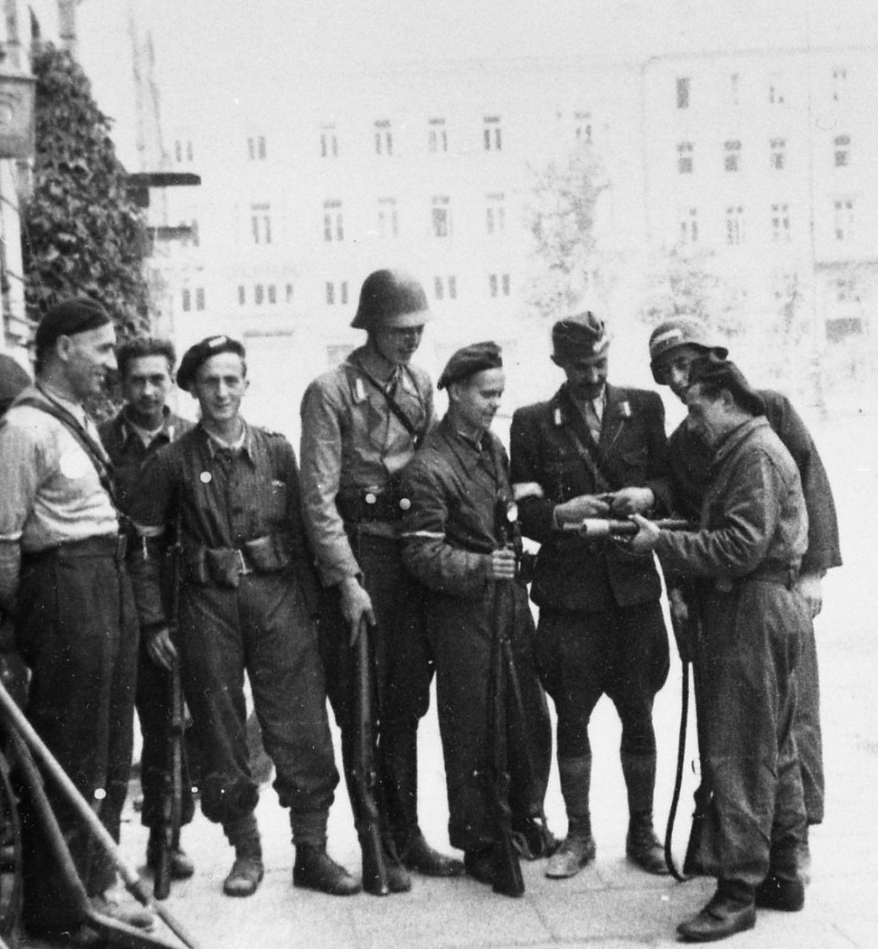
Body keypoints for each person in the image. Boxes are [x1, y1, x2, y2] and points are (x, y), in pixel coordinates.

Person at [128, 335, 361, 898]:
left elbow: (307, 534)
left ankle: (312, 850)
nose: (223, 392)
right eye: (211, 382)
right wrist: (156, 622)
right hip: (207, 607)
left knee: (301, 721)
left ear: (246, 384)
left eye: (233, 380)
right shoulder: (171, 463)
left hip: (278, 600)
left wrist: (316, 606)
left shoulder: (277, 452)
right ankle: (247, 851)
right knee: (219, 727)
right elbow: (143, 551)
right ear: (193, 389)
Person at [0, 298, 153, 940]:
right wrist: (43, 612)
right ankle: (57, 907)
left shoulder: (74, 418)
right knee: (69, 748)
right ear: (63, 348)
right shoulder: (23, 430)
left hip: (107, 583)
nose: (111, 362)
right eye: (101, 349)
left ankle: (95, 886)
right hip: (66, 590)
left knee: (107, 746)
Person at [645, 318, 842, 872]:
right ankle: (736, 842)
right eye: (667, 372)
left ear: (712, 359)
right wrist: (678, 594)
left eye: (686, 364)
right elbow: (682, 517)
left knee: (791, 719)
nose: (679, 380)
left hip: (772, 587)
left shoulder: (769, 411)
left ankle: (792, 847)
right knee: (734, 726)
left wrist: (813, 573)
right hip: (718, 596)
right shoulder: (685, 441)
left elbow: (812, 485)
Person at [628, 344, 810, 943]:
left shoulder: (752, 453)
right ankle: (782, 872)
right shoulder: (743, 448)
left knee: (737, 750)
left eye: (701, 412)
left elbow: (738, 547)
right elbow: (728, 530)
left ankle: (737, 894)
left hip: (750, 610)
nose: (695, 426)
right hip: (763, 607)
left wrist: (663, 544)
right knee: (774, 746)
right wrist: (668, 530)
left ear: (727, 401)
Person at [300, 270, 473, 888]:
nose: (411, 339)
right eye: (400, 329)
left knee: (404, 704)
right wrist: (345, 579)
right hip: (360, 558)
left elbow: (431, 469)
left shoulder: (421, 383)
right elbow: (317, 498)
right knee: (360, 705)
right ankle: (372, 838)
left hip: (408, 559)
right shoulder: (331, 391)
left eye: (418, 328)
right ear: (370, 326)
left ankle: (408, 834)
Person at [509, 312, 672, 879]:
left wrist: (646, 494)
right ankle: (578, 836)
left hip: (632, 595)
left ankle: (644, 832)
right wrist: (559, 513)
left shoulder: (645, 408)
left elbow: (673, 485)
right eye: (582, 367)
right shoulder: (532, 423)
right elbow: (523, 509)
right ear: (560, 364)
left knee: (640, 714)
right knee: (571, 717)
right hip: (569, 600)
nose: (594, 375)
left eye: (601, 363)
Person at [400, 342, 557, 891]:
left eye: (499, 394)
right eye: (487, 394)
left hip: (507, 606)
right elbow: (420, 552)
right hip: (463, 616)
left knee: (526, 717)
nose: (495, 404)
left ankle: (521, 821)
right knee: (472, 729)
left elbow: (499, 516)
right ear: (456, 392)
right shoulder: (430, 467)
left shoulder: (489, 447)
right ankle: (481, 842)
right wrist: (480, 565)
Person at [98, 336, 195, 883]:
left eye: (158, 379)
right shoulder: (101, 441)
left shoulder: (187, 438)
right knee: (115, 727)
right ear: (121, 382)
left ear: (170, 380)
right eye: (136, 379)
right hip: (116, 596)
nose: (148, 390)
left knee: (169, 724)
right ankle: (105, 846)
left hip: (174, 596)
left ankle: (167, 837)